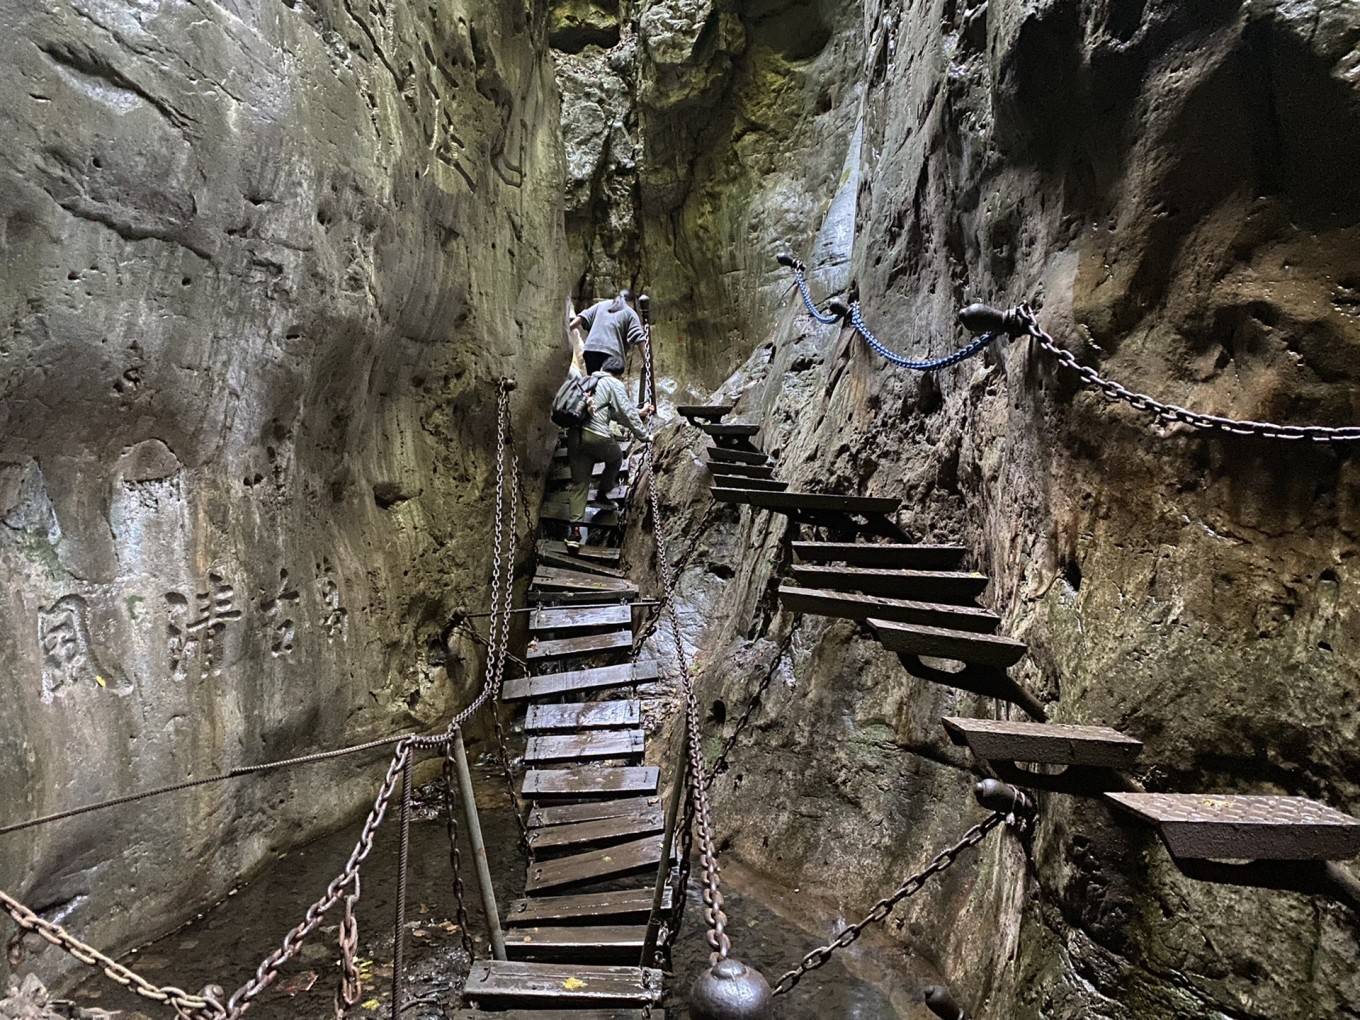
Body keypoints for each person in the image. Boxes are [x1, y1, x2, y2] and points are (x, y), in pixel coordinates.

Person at [566, 354, 653, 548]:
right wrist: (644, 435)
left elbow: (612, 413)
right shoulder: (614, 383)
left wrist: (639, 412)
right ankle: (604, 492)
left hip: (575, 436)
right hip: (596, 436)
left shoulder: (588, 380)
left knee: (579, 484)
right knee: (615, 459)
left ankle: (574, 533)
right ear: (618, 373)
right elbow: (625, 412)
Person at [570, 290, 646, 375]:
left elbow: (583, 316)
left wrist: (568, 328)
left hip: (591, 349)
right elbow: (639, 337)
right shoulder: (630, 312)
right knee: (609, 383)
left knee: (593, 382)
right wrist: (646, 360)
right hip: (611, 352)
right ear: (631, 302)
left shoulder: (601, 305)